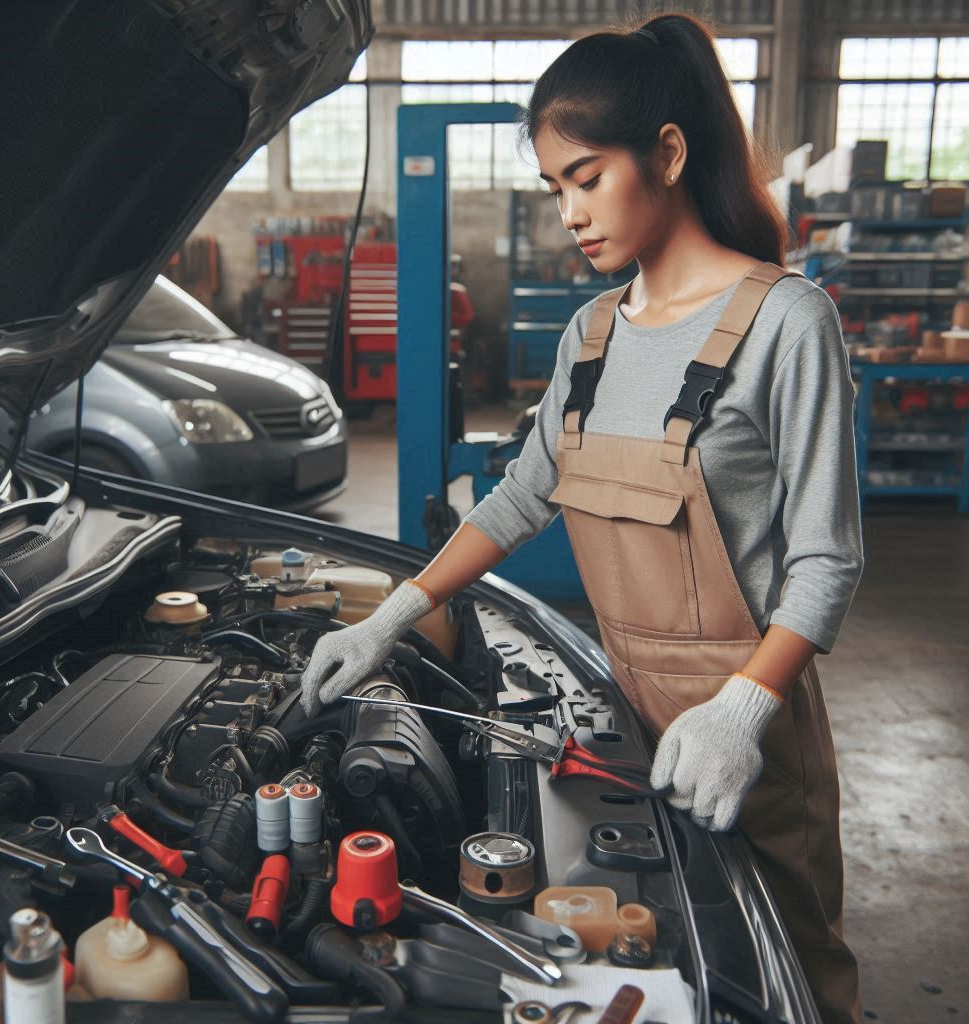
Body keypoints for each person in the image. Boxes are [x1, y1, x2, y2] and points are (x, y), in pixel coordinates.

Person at [300, 14, 863, 1024]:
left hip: (752, 736)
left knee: (789, 968)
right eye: (555, 186)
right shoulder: (592, 335)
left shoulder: (786, 321)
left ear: (669, 153)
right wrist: (394, 612)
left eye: (586, 176)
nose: (568, 211)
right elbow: (520, 496)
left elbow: (825, 561)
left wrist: (742, 711)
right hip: (624, 718)